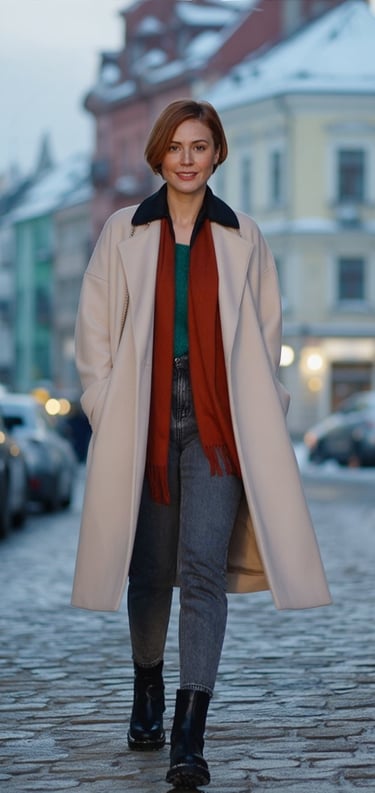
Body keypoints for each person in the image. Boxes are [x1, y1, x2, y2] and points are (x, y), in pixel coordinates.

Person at [71, 99, 331, 789]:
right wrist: (103, 401)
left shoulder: (244, 235)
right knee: (150, 570)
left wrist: (260, 400)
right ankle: (148, 685)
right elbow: (94, 329)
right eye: (176, 147)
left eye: (200, 146)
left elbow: (266, 332)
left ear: (216, 155)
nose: (187, 158)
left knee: (203, 570)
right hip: (145, 415)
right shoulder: (123, 232)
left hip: (216, 422)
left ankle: (190, 730)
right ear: (158, 155)